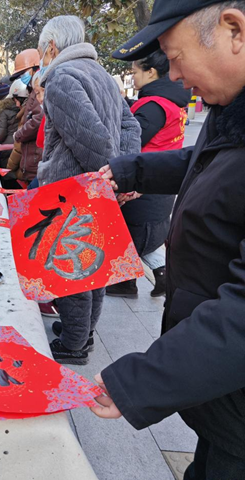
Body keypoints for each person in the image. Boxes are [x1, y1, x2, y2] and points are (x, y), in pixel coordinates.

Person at [91, 2, 245, 478]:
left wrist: (142, 381)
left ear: (233, 30)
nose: (172, 74)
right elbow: (202, 163)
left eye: (176, 57)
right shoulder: (229, 113)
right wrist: (129, 170)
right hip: (219, 390)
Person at [35, 15, 141, 365]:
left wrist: (116, 175)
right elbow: (130, 125)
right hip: (97, 186)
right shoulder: (103, 76)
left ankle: (75, 343)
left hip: (73, 187)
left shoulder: (63, 77)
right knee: (93, 265)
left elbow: (89, 138)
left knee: (71, 269)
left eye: (40, 53)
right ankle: (83, 333)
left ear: (51, 47)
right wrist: (124, 169)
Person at [106, 49, 191, 299]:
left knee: (128, 234)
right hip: (159, 184)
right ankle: (129, 282)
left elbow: (132, 142)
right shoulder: (171, 104)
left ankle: (128, 282)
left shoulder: (153, 106)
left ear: (151, 72)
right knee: (133, 236)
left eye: (134, 72)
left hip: (143, 185)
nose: (132, 78)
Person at [8, 49, 42, 185]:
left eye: (23, 73)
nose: (22, 77)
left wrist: (19, 134)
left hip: (35, 160)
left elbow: (37, 120)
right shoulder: (32, 92)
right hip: (30, 160)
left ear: (35, 68)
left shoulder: (38, 92)